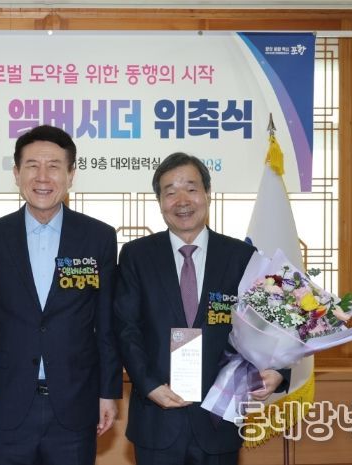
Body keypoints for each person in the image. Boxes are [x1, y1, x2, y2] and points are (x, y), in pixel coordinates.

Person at [113, 152, 289, 465]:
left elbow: (271, 322)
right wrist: (148, 384)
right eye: (170, 192)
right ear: (160, 202)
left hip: (218, 416)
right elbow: (125, 327)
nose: (182, 200)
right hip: (156, 417)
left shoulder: (241, 256)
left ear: (208, 193)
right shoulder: (136, 255)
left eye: (191, 189)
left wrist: (278, 370)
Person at [0, 125, 122, 465]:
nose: (42, 177)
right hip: (7, 401)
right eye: (32, 166)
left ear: (71, 175)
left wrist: (108, 392)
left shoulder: (98, 237)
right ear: (16, 173)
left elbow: (106, 323)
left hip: (76, 402)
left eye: (53, 166)